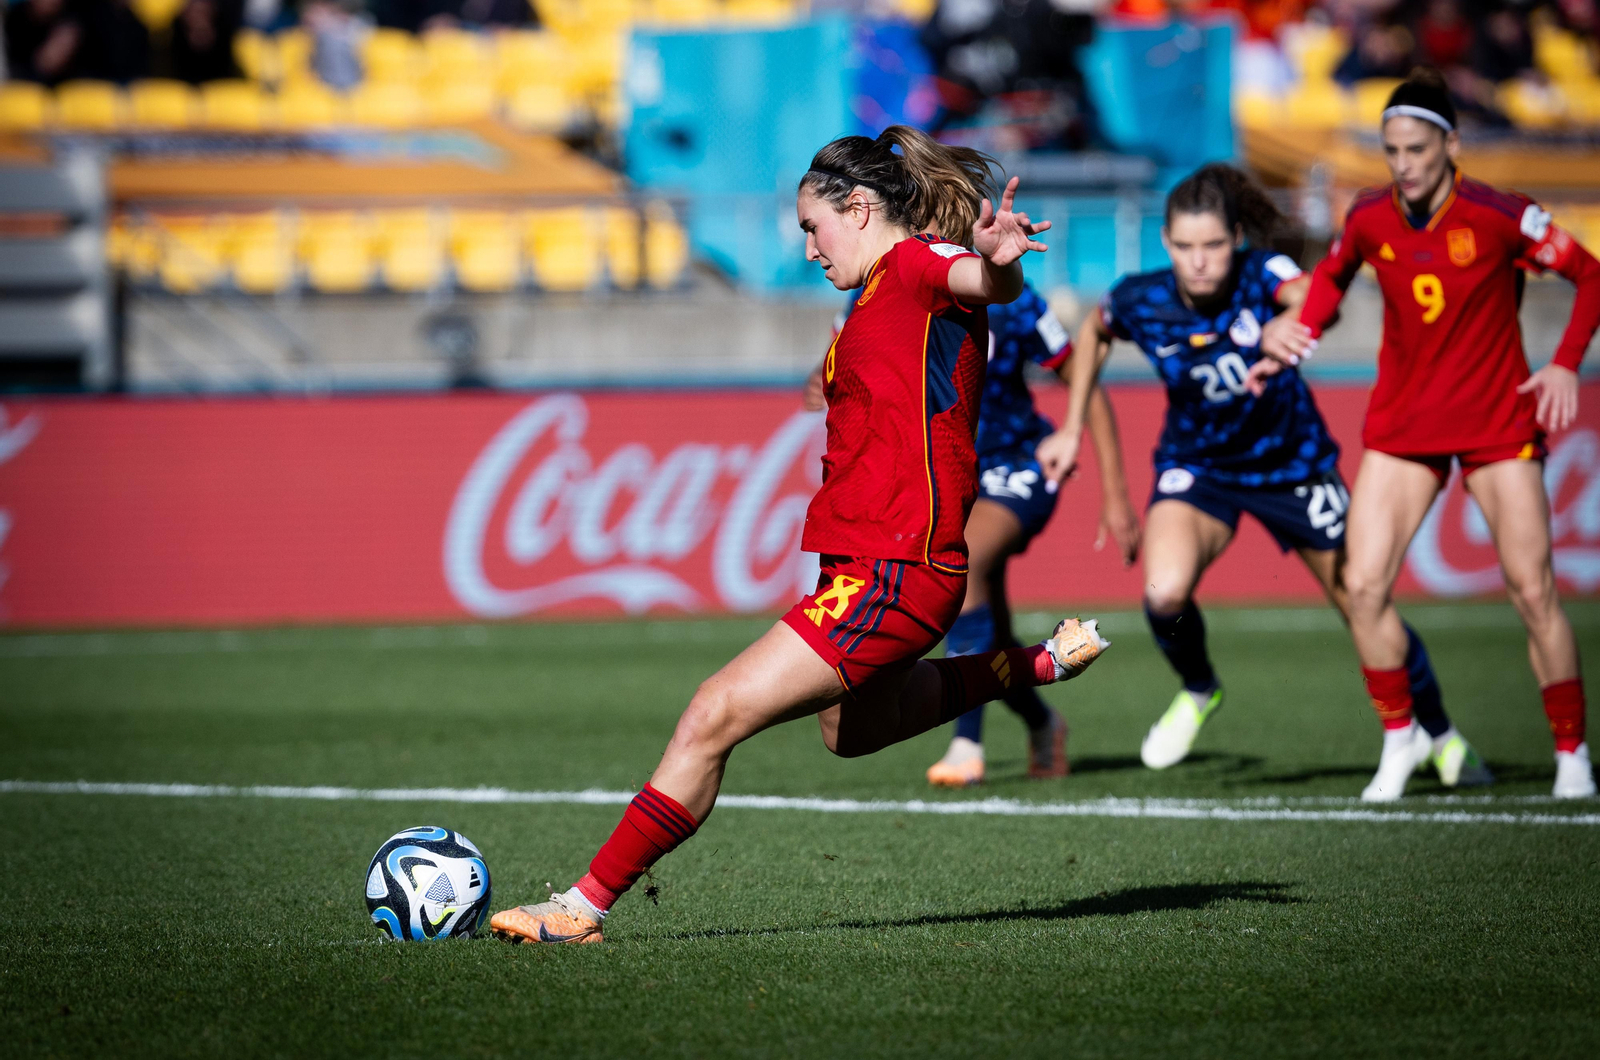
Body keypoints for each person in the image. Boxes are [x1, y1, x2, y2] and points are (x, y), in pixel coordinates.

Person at [488, 127, 1111, 945]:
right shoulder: (876, 295)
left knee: (713, 712)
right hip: (867, 565)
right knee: (848, 731)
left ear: (859, 207)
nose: (810, 249)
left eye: (813, 229)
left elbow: (981, 278)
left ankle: (583, 905)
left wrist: (999, 259)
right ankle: (1031, 664)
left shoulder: (921, 265)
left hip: (897, 565)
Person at [1047, 163, 1489, 795]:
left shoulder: (1262, 276)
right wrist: (1070, 425)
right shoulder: (1140, 297)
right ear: (1166, 244)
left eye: (1214, 246)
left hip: (1293, 466)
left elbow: (1317, 296)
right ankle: (1199, 689)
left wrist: (1298, 321)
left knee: (1362, 603)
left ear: (1237, 241)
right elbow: (1094, 332)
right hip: (1198, 469)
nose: (1200, 262)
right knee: (1163, 593)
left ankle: (1439, 733)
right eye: (1185, 247)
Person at [1251, 68, 1600, 800]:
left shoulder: (1502, 214)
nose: (1402, 165)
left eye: (1415, 149)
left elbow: (1590, 275)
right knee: (1364, 585)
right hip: (1403, 426)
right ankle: (1402, 738)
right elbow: (1332, 279)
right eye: (1391, 151)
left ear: (1451, 143)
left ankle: (1571, 756)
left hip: (1497, 425)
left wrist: (1565, 364)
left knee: (1532, 592)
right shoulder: (1370, 216)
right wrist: (1296, 328)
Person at [806, 281, 1136, 787]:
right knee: (989, 628)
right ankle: (1043, 721)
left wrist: (1115, 495)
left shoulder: (1013, 300)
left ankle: (967, 745)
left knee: (968, 559)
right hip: (943, 478)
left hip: (1017, 465)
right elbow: (834, 365)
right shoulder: (877, 290)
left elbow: (1083, 380)